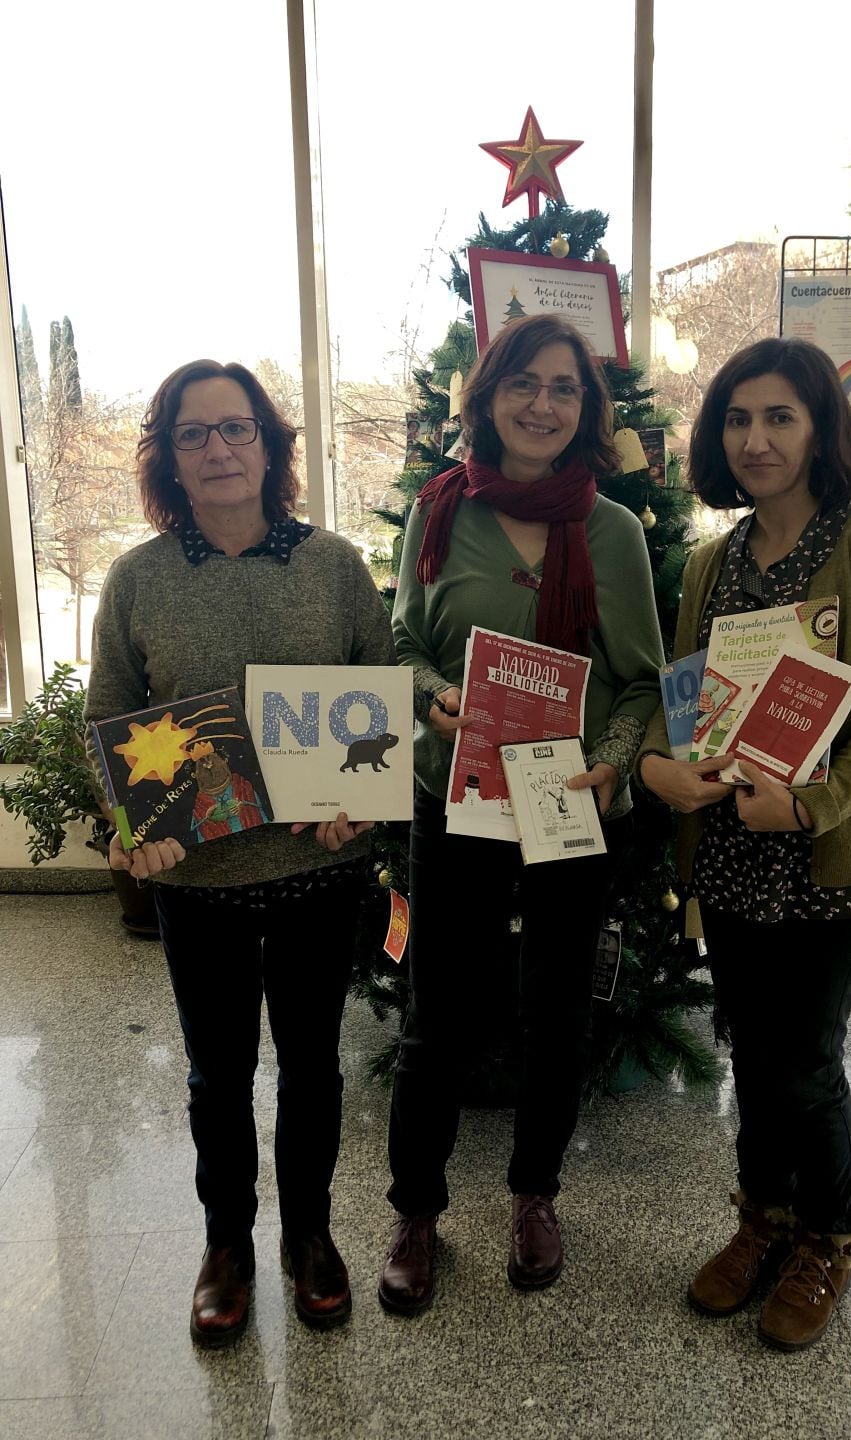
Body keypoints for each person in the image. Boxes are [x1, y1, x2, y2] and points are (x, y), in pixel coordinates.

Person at [86, 359, 397, 1346]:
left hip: (319, 873)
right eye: (193, 433)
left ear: (270, 447)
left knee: (312, 1068)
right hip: (201, 882)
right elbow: (110, 715)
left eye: (237, 430)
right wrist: (133, 830)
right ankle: (227, 1243)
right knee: (217, 1075)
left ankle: (310, 1236)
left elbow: (379, 693)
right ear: (168, 457)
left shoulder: (335, 566)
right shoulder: (137, 580)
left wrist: (363, 808)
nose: (217, 449)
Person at [637, 337, 851, 1352]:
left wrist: (814, 801)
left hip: (826, 852)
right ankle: (760, 1219)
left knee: (807, 1059)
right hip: (728, 853)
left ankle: (826, 1238)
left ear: (819, 430)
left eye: (779, 418)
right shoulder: (711, 564)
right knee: (751, 1053)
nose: (755, 439)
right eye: (736, 419)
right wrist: (662, 766)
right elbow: (683, 700)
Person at [380, 314, 664, 1314]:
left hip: (569, 803)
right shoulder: (441, 513)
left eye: (565, 388)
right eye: (523, 383)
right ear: (489, 394)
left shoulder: (613, 534)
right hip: (451, 797)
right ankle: (415, 1210)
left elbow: (640, 687)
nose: (543, 403)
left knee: (556, 1012)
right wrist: (432, 699)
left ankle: (535, 1195)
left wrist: (611, 759)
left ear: (585, 410)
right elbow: (401, 648)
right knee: (438, 1014)